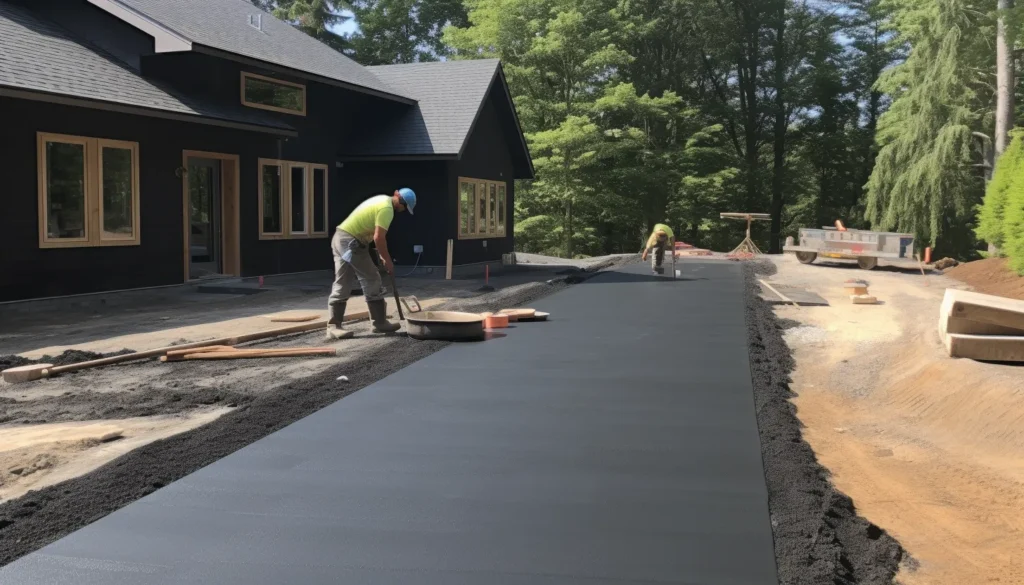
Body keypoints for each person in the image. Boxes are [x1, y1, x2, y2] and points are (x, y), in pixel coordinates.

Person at [326, 188, 416, 340]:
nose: (403, 211)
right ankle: (379, 323)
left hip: (342, 238)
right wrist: (387, 260)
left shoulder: (382, 199)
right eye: (405, 208)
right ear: (401, 203)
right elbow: (379, 238)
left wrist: (381, 255)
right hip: (350, 242)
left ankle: (334, 326)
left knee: (343, 281)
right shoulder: (387, 209)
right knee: (372, 278)